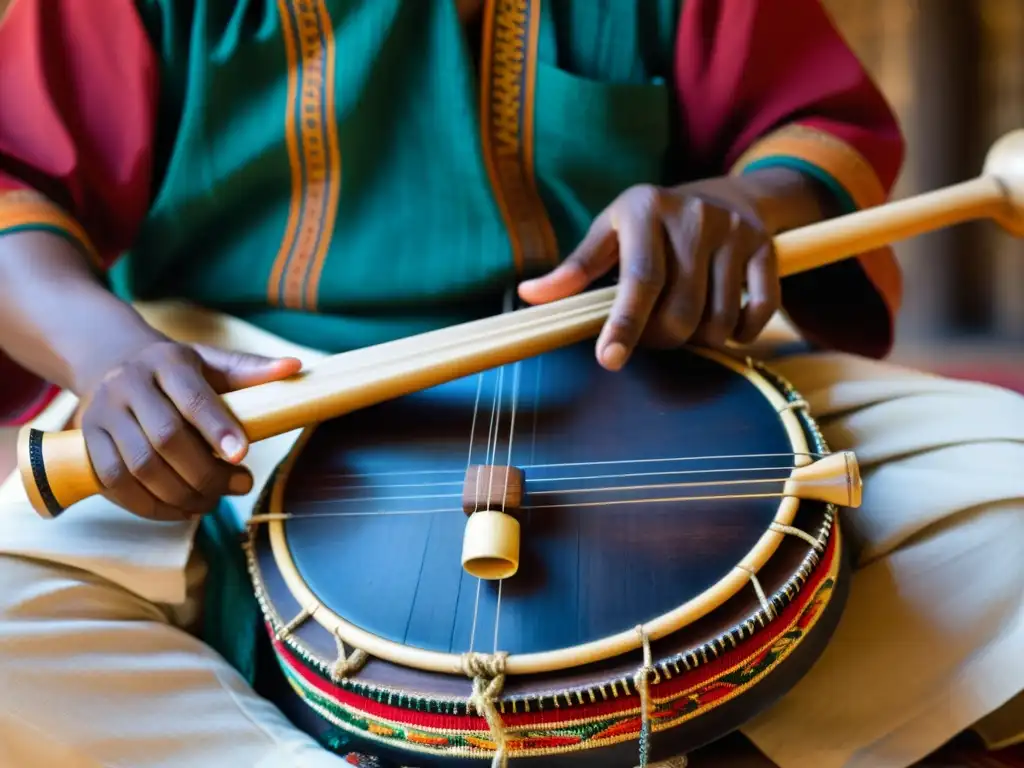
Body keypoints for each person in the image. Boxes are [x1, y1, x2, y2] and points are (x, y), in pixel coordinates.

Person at [0, 0, 1021, 766]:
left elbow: (807, 136)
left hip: (643, 364)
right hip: (248, 383)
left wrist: (732, 207)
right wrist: (110, 357)